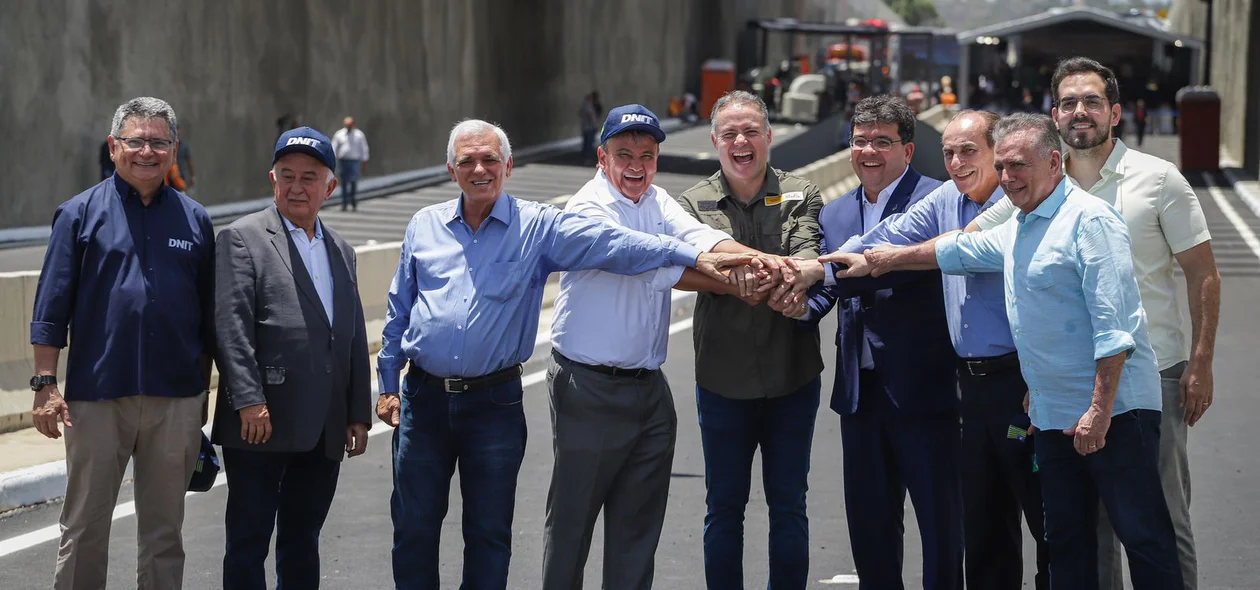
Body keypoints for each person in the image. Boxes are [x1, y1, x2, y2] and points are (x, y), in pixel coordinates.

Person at [375, 119, 751, 590]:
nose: (479, 169)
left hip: (493, 404)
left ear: (508, 166)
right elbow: (398, 309)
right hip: (423, 401)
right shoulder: (423, 226)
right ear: (451, 170)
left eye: (490, 159)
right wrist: (388, 383)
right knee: (413, 529)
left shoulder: (539, 226)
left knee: (489, 535)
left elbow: (612, 244)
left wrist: (692, 255)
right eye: (467, 161)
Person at [847, 112, 1184, 589]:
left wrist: (1098, 411)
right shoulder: (1020, 226)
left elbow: (1116, 332)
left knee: (1143, 536)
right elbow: (957, 253)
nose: (1007, 178)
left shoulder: (1090, 221)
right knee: (1066, 540)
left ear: (1054, 161)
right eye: (1002, 166)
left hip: (1114, 413)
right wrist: (879, 259)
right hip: (1051, 415)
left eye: (1018, 166)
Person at [967, 56, 1220, 590]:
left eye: (1092, 101)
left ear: (1116, 112)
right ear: (1053, 115)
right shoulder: (1035, 192)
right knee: (1090, 530)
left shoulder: (1157, 180)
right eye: (1069, 102)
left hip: (1154, 379)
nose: (1080, 111)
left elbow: (1203, 274)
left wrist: (1200, 364)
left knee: (1161, 522)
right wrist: (876, 256)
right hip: (1071, 389)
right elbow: (967, 241)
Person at [791, 109, 1049, 589]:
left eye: (968, 151)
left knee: (1043, 525)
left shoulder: (1024, 203)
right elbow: (880, 241)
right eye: (949, 152)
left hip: (1009, 386)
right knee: (979, 530)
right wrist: (811, 274)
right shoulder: (942, 200)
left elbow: (958, 252)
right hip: (939, 389)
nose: (955, 162)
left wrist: (890, 260)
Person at [544, 104, 768, 589]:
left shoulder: (657, 201)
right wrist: (729, 281)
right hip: (589, 388)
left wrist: (760, 262)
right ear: (601, 159)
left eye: (647, 155)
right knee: (571, 527)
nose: (636, 165)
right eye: (623, 154)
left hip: (649, 391)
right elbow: (641, 259)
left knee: (637, 533)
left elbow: (702, 237)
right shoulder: (588, 208)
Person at [30, 96, 214, 590]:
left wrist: (204, 396)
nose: (146, 151)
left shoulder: (196, 221)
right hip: (96, 397)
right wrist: (45, 384)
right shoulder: (77, 215)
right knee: (84, 528)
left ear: (174, 149)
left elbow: (209, 317)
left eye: (158, 141)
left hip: (175, 399)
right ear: (114, 147)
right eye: (135, 141)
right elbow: (50, 308)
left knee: (164, 533)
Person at [790, 94, 962, 590]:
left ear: (908, 151)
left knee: (941, 527)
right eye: (860, 141)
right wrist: (800, 305)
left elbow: (874, 273)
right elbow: (829, 290)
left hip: (924, 390)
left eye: (883, 142)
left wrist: (815, 278)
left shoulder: (937, 199)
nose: (869, 152)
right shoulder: (836, 213)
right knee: (870, 528)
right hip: (859, 395)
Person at [674, 90, 826, 589]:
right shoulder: (690, 204)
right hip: (722, 379)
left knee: (789, 507)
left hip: (792, 377)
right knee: (723, 508)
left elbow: (808, 257)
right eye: (731, 134)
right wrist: (730, 280)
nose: (742, 142)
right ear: (715, 141)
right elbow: (679, 269)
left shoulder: (802, 192)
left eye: (751, 132)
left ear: (769, 136)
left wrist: (763, 277)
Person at [212, 127, 373, 590]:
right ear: (272, 179)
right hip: (260, 421)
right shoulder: (242, 238)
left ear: (331, 187)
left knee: (304, 539)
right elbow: (230, 326)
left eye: (309, 177)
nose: (297, 187)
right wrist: (247, 400)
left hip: (324, 425)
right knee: (248, 540)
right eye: (287, 176)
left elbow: (350, 334)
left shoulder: (341, 249)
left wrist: (357, 413)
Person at [331, 116, 370, 211]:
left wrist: (364, 161)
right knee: (343, 183)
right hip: (343, 161)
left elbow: (363, 148)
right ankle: (344, 203)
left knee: (353, 182)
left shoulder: (359, 135)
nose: (348, 127)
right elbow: (334, 147)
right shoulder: (339, 134)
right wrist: (332, 161)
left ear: (353, 125)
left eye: (349, 125)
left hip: (354, 161)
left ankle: (353, 201)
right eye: (346, 125)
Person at [578, 93, 600, 165]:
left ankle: (584, 158)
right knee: (589, 144)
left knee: (586, 144)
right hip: (590, 127)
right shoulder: (589, 106)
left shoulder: (583, 105)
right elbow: (591, 115)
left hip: (585, 127)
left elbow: (579, 113)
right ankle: (587, 159)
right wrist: (595, 125)